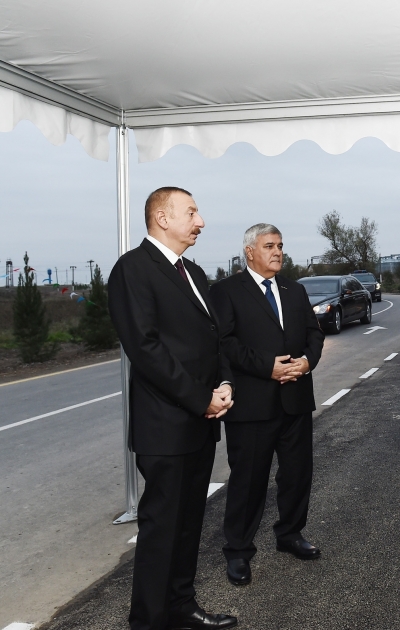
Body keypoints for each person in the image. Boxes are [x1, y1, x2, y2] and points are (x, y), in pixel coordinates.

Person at [108, 187, 237, 630]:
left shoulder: (193, 272)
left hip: (199, 424)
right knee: (162, 530)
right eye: (192, 212)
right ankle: (147, 621)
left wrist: (223, 384)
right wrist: (201, 398)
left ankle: (181, 606)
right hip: (165, 426)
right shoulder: (133, 269)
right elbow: (146, 350)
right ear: (162, 218)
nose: (201, 221)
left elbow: (214, 338)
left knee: (188, 525)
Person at [209, 224, 325, 587]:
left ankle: (290, 534)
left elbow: (314, 333)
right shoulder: (226, 291)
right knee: (249, 481)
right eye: (269, 246)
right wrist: (266, 367)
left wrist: (306, 362)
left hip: (295, 400)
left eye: (280, 246)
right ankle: (238, 551)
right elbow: (224, 343)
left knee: (297, 474)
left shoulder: (295, 289)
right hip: (252, 406)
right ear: (249, 251)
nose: (277, 252)